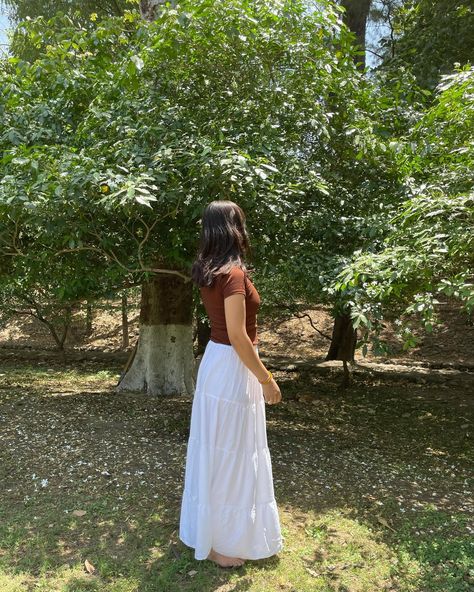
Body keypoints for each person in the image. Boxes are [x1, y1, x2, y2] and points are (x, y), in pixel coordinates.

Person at [178, 199, 284, 569]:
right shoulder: (233, 275)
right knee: (231, 455)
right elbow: (239, 336)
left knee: (221, 451)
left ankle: (219, 532)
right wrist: (267, 379)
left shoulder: (210, 271)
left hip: (217, 364)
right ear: (233, 228)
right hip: (233, 366)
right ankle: (222, 542)